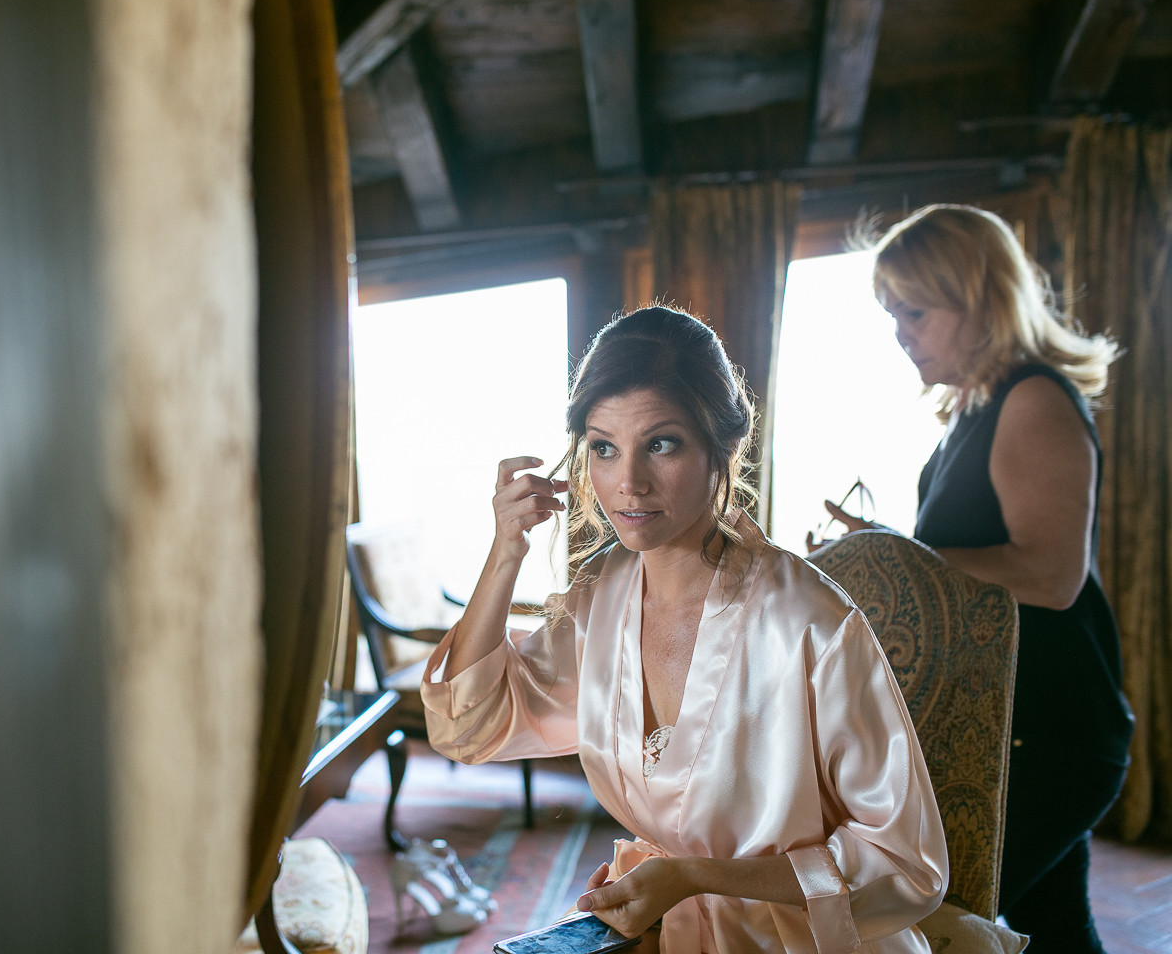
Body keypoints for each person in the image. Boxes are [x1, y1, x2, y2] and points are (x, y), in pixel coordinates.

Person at [420, 306, 948, 954]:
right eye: (603, 447)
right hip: (660, 928)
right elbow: (467, 726)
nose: (628, 483)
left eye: (661, 443)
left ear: (722, 445)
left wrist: (692, 876)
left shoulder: (812, 626)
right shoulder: (600, 597)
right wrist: (505, 551)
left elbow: (907, 866)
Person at [816, 204, 1134, 954]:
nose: (899, 331)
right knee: (1048, 929)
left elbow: (1052, 575)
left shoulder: (1034, 399)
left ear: (983, 298)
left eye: (915, 311)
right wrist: (881, 551)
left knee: (941, 928)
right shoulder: (978, 405)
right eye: (891, 312)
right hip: (1017, 722)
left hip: (1049, 729)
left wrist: (890, 559)